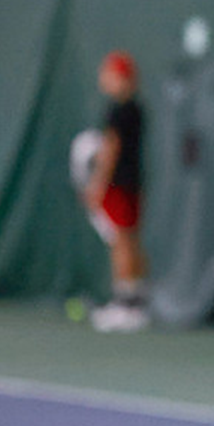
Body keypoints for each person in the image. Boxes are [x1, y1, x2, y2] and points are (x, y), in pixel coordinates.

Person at [84, 50, 150, 332]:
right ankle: (136, 303)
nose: (104, 79)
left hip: (120, 185)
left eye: (108, 74)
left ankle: (124, 305)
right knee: (130, 240)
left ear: (122, 78)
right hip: (134, 183)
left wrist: (98, 183)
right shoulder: (137, 109)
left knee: (121, 241)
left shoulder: (119, 111)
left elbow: (111, 149)